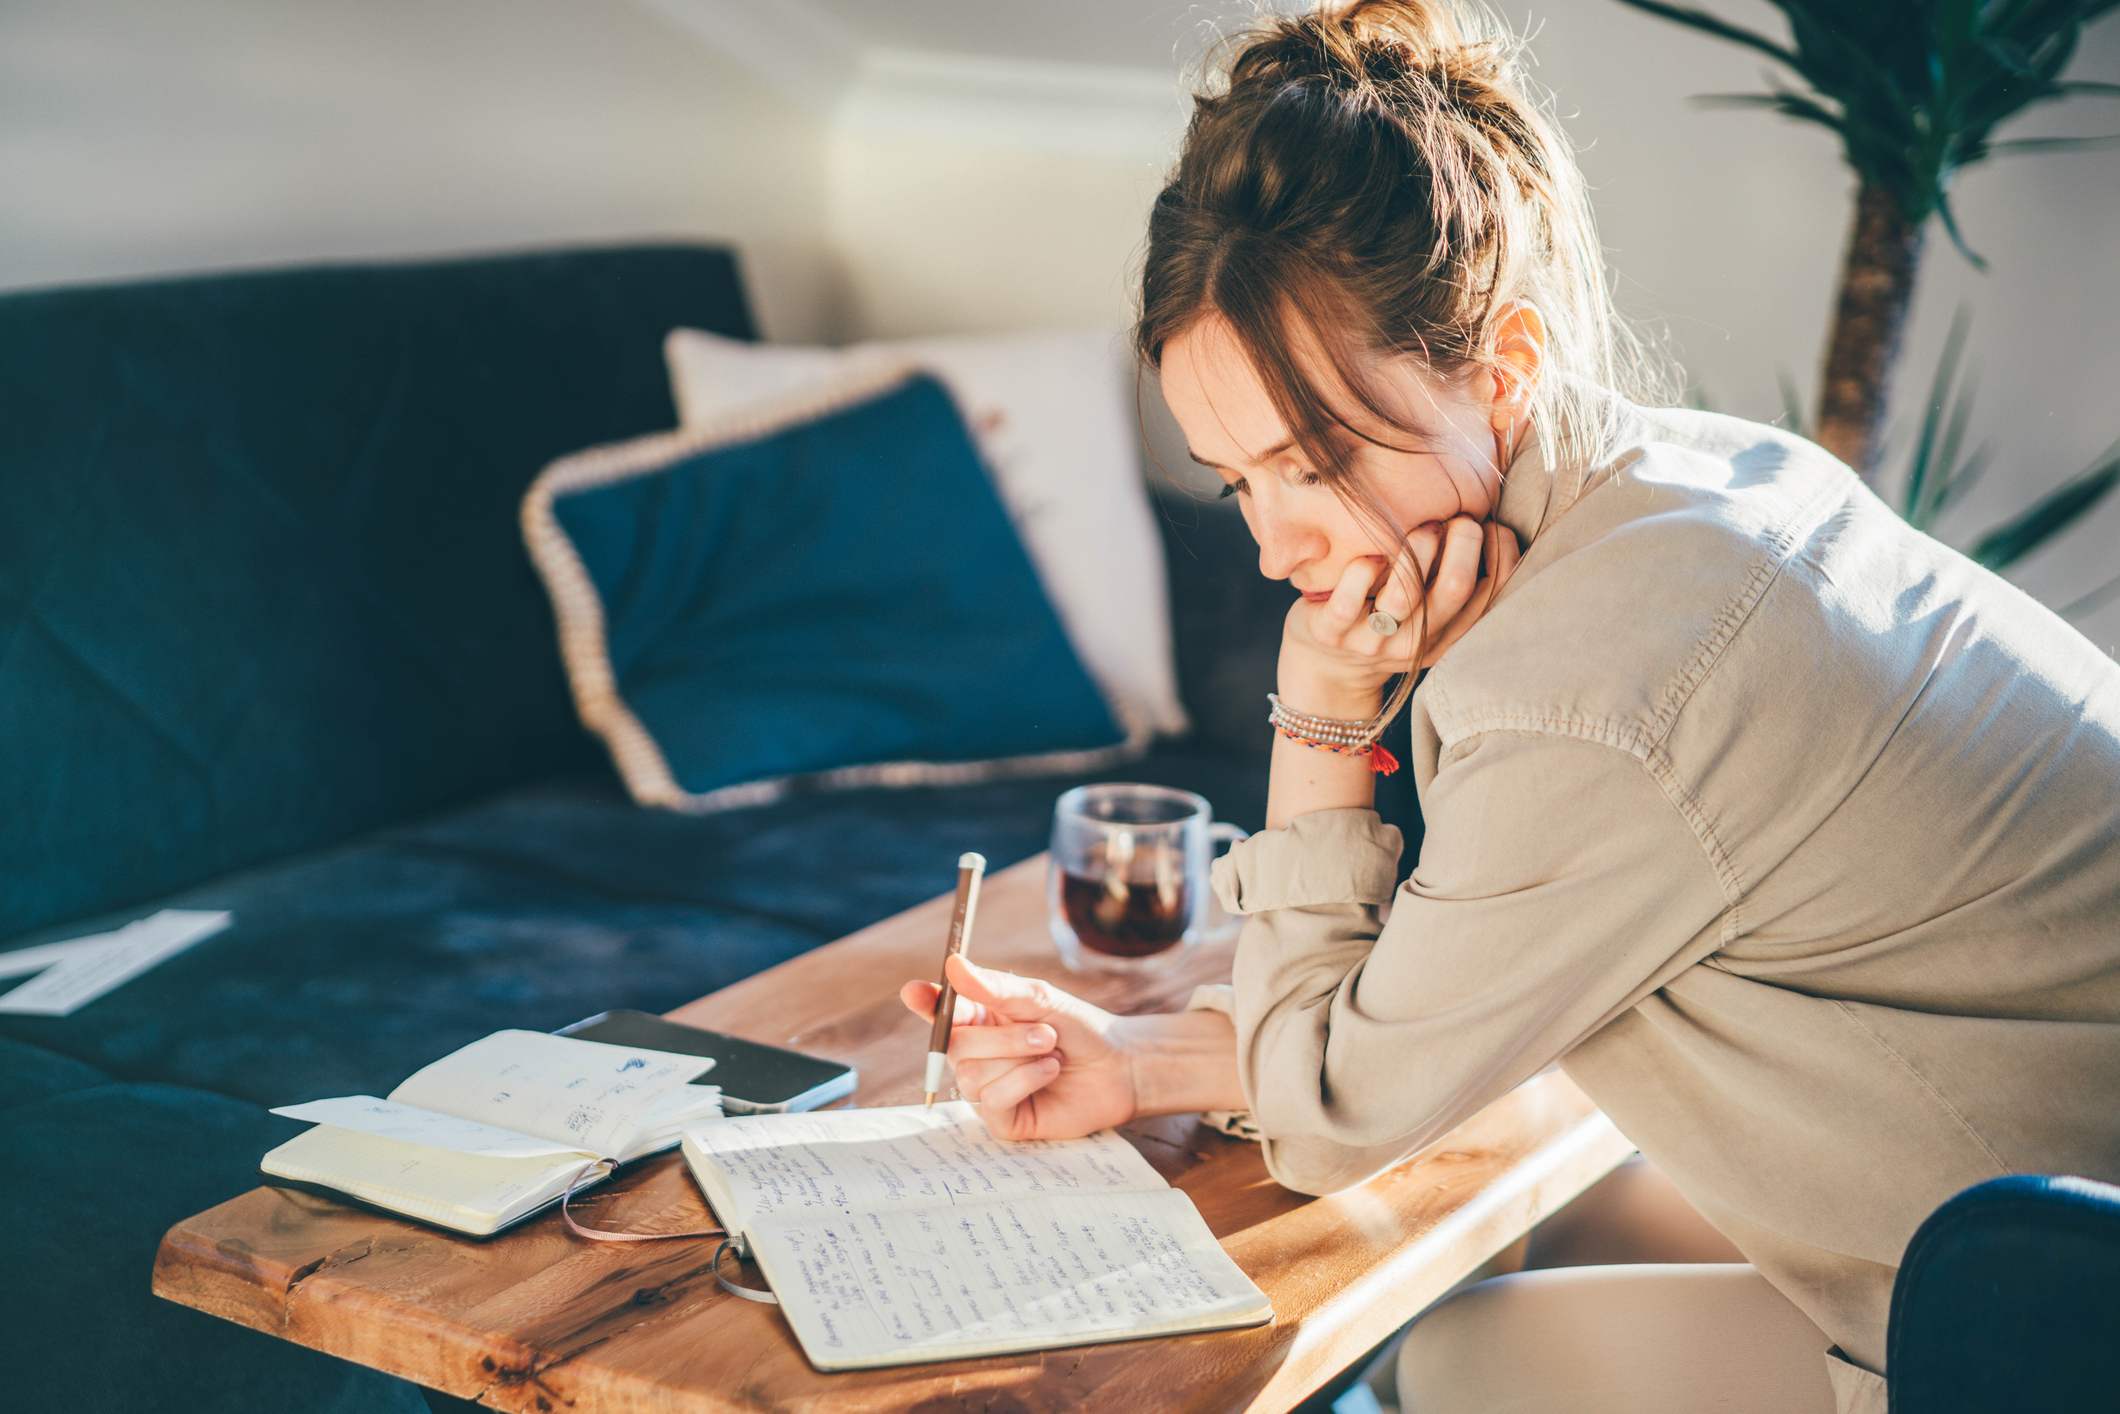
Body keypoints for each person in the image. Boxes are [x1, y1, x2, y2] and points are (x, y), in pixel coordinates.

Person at [898, 3, 2120, 1410]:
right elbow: (1451, 999)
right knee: (1521, 1259)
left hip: (2058, 1315)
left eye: (1312, 461)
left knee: (1450, 1358)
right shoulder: (1689, 487)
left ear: (1507, 367)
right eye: (1239, 480)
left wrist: (1322, 707)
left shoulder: (1590, 681)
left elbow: (1329, 1116)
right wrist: (1139, 1059)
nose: (1272, 548)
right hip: (2026, 1221)